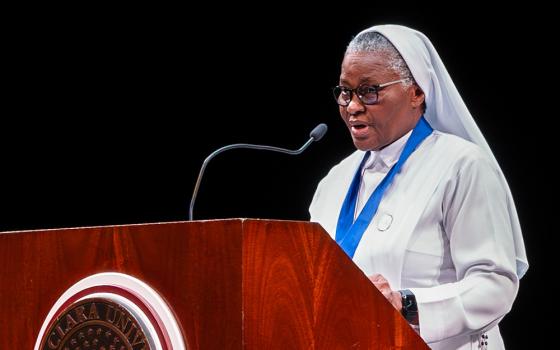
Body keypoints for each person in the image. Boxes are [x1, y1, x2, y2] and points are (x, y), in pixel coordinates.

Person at [309, 24, 528, 350]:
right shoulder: (333, 182)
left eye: (370, 91)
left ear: (417, 92)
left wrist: (406, 303)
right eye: (345, 91)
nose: (352, 106)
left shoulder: (461, 165)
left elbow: (494, 285)